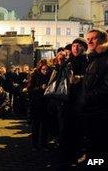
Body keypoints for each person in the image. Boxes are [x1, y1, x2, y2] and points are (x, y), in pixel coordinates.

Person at [77, 28, 108, 167]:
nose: (89, 41)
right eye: (87, 38)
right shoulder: (94, 58)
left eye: (93, 38)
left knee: (99, 149)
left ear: (102, 40)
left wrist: (86, 98)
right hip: (91, 110)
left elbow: (106, 88)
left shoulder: (105, 59)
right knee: (92, 145)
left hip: (100, 112)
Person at [58, 37, 88, 169]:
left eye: (79, 46)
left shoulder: (88, 60)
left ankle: (77, 157)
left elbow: (94, 77)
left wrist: (80, 78)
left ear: (84, 48)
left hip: (80, 102)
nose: (75, 48)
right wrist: (60, 64)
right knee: (65, 131)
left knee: (78, 132)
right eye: (74, 45)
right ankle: (66, 157)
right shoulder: (68, 61)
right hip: (66, 101)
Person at [27, 60, 51, 151]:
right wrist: (40, 88)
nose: (45, 71)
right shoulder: (34, 76)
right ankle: (35, 145)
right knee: (36, 126)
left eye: (47, 69)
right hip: (36, 104)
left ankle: (44, 144)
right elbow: (30, 89)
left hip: (46, 104)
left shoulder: (50, 77)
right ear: (40, 68)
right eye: (43, 69)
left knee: (45, 126)